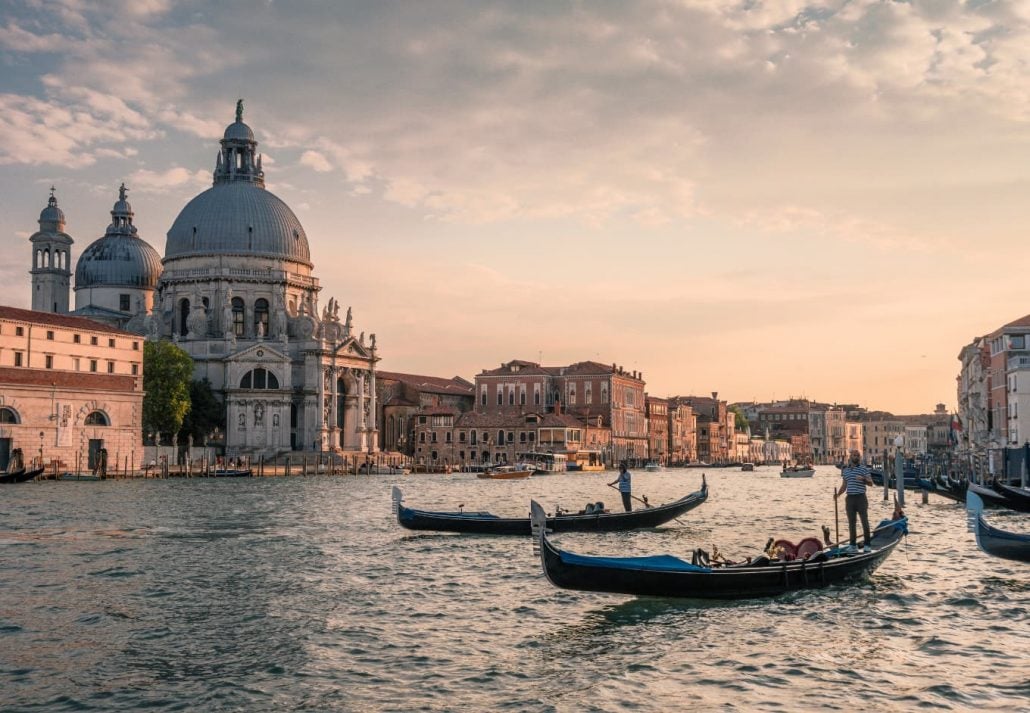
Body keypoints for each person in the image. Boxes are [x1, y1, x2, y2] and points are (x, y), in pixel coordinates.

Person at [836, 449, 874, 553]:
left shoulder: (864, 469)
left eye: (858, 456)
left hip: (861, 497)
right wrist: (838, 495)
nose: (856, 457)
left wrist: (863, 479)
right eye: (854, 455)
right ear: (850, 457)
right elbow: (844, 486)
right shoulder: (846, 470)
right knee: (851, 523)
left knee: (864, 522)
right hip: (850, 499)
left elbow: (871, 483)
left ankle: (867, 545)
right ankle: (853, 545)